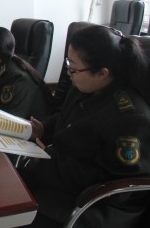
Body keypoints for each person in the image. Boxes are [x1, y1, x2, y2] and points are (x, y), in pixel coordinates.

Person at [18, 25, 150, 227]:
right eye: (68, 63)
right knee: (4, 184)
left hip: (91, 206)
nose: (68, 72)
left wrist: (49, 160)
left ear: (102, 73)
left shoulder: (130, 117)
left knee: (9, 208)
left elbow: (110, 183)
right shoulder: (84, 86)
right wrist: (44, 129)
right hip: (58, 177)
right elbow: (66, 117)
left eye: (73, 67)